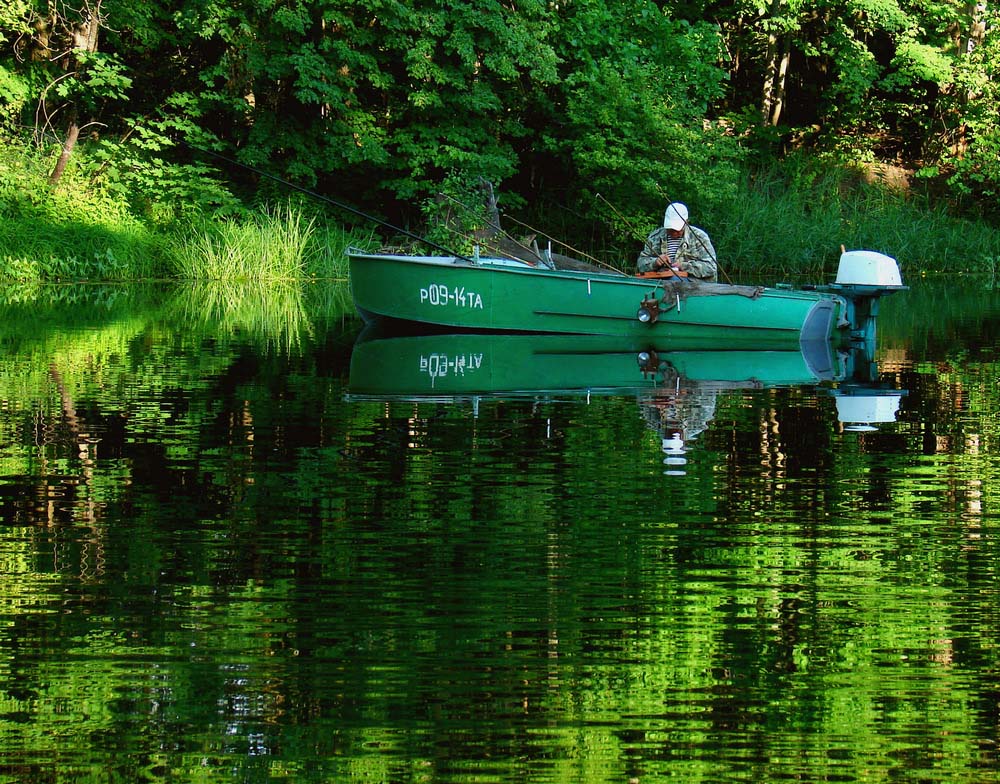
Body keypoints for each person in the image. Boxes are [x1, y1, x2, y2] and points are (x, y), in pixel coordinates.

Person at [637, 202, 718, 281]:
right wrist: (655, 262)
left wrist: (683, 266)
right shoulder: (655, 237)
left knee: (674, 280)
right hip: (661, 281)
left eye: (677, 230)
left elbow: (711, 267)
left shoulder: (699, 237)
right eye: (671, 230)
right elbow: (641, 264)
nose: (674, 233)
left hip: (694, 285)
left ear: (686, 222)